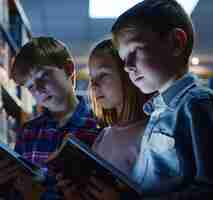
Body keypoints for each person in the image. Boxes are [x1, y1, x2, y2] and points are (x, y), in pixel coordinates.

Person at [81, 0, 213, 199]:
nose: (127, 67)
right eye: (124, 59)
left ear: (176, 42)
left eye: (134, 52)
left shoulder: (197, 105)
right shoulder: (157, 111)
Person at [0, 37, 102, 199]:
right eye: (31, 86)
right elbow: (16, 192)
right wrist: (1, 182)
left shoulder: (99, 127)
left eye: (43, 76)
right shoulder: (28, 133)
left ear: (68, 69)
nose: (38, 89)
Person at [56, 39, 149, 200]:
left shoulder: (154, 134)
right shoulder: (103, 136)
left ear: (129, 73)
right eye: (92, 78)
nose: (93, 85)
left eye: (103, 75)